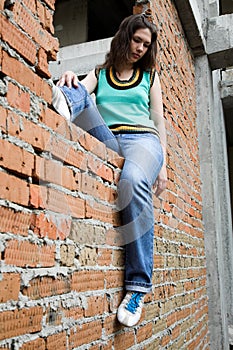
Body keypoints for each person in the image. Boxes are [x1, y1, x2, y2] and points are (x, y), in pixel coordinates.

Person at [52, 11, 167, 327]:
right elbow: (87, 89)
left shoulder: (149, 77)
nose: (141, 48)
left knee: (130, 179)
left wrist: (163, 165)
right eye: (137, 40)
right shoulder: (102, 73)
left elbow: (158, 121)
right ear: (125, 36)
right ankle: (64, 98)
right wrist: (72, 81)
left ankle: (138, 287)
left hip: (143, 142)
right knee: (75, 90)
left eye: (147, 44)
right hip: (110, 140)